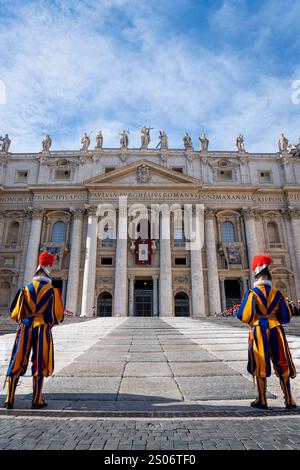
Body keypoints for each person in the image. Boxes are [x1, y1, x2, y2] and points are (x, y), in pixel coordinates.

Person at [3, 251, 64, 409]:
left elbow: (15, 312)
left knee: (18, 358)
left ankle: (9, 399)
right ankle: (37, 400)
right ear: (48, 272)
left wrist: (24, 320)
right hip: (41, 327)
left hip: (24, 326)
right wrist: (48, 322)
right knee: (40, 361)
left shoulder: (25, 289)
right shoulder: (51, 291)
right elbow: (54, 315)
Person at [237, 254, 297, 410]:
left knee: (260, 362)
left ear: (257, 277)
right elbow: (286, 316)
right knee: (282, 361)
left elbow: (243, 315)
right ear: (268, 277)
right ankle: (289, 399)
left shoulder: (252, 293)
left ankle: (262, 399)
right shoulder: (278, 293)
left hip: (258, 329)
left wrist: (255, 318)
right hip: (276, 328)